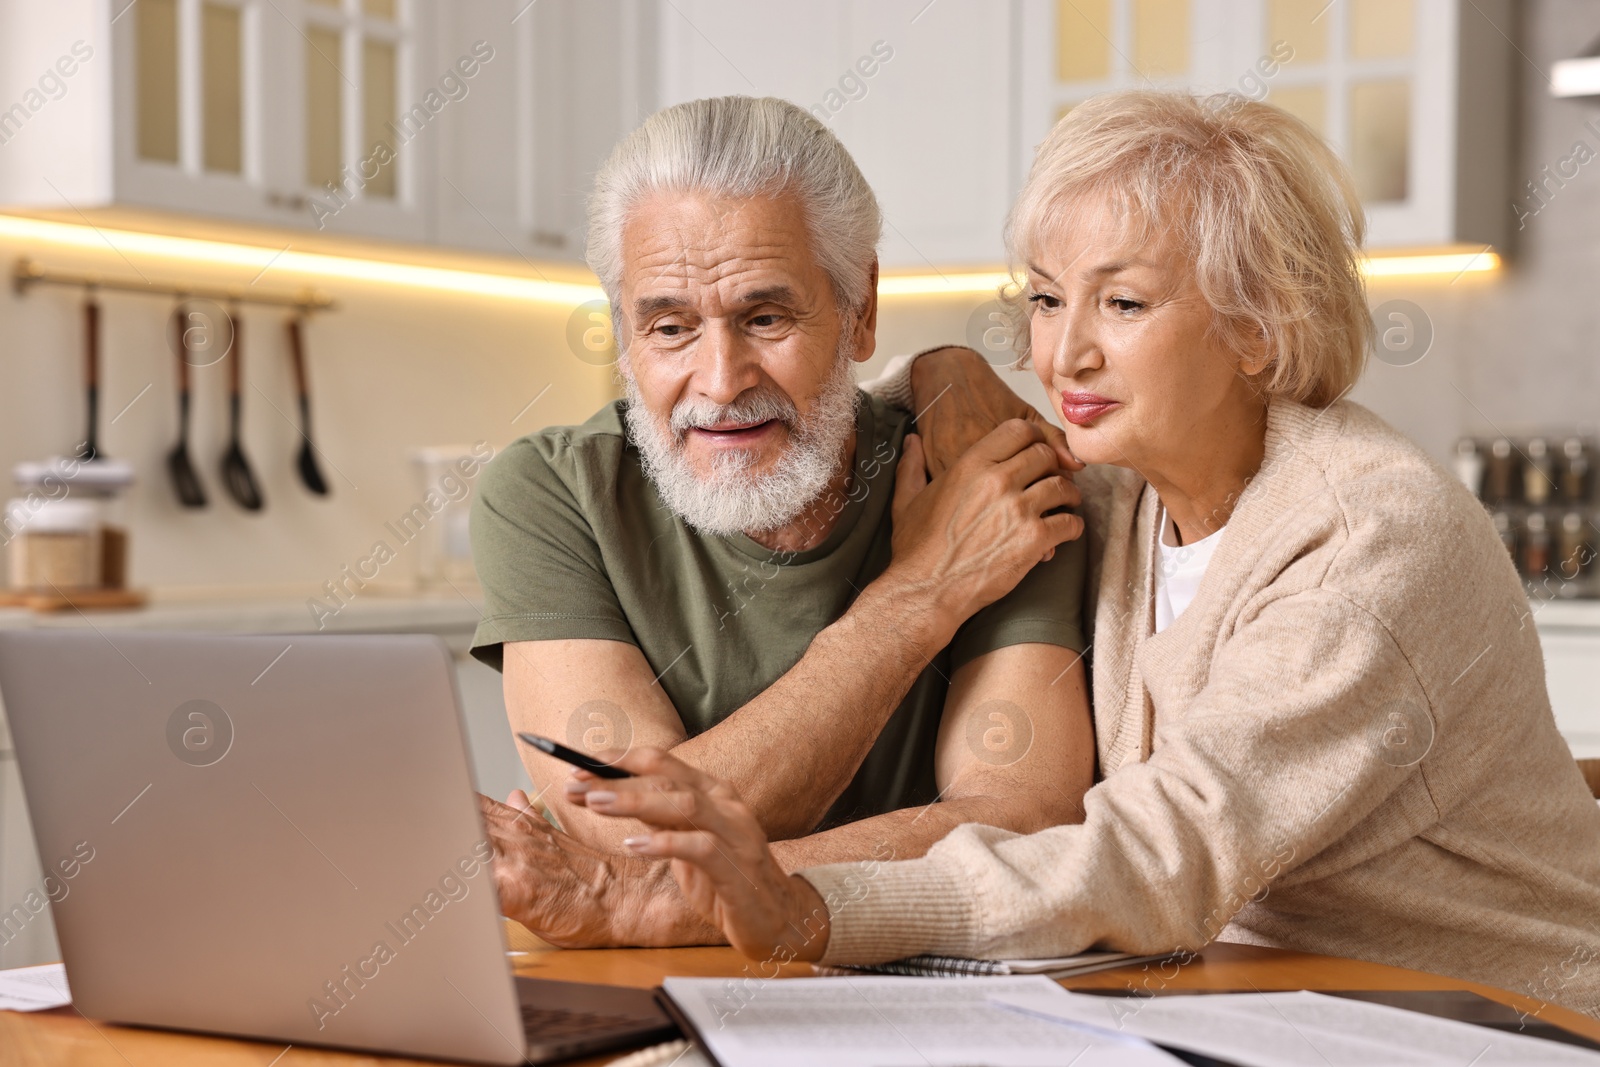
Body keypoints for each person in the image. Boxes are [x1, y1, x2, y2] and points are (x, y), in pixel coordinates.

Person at [569, 89, 1600, 1014]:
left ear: (1258, 324)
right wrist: (943, 364)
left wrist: (804, 904)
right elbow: (822, 416)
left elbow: (1159, 858)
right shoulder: (1109, 495)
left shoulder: (1368, 538)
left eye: (1124, 302)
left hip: (1509, 1020)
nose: (1064, 353)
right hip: (1269, 1008)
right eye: (1049, 297)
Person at [470, 95, 1092, 948]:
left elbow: (1025, 823)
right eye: (670, 327)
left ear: (861, 309)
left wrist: (655, 900)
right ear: (622, 336)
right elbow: (627, 833)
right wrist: (919, 596)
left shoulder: (985, 478)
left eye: (766, 318)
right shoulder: (551, 493)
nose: (720, 381)